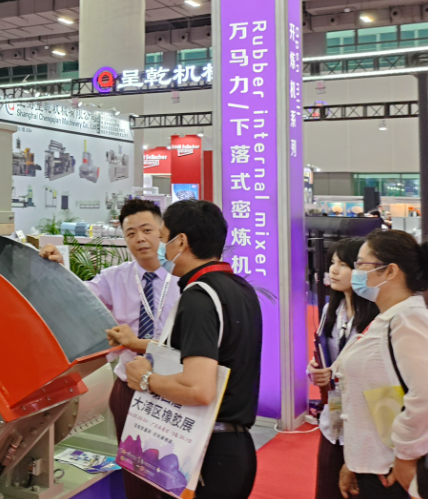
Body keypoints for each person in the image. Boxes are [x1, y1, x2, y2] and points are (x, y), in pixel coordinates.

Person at [40, 198, 179, 499]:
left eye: (147, 230)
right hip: (129, 386)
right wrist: (57, 267)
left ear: (162, 232)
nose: (140, 239)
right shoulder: (115, 278)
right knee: (135, 469)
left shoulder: (182, 278)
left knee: (176, 467)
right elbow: (78, 298)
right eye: (131, 233)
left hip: (173, 389)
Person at [123, 199, 262, 499]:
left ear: (181, 242)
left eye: (163, 237)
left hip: (206, 452)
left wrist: (145, 380)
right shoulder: (239, 288)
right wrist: (140, 344)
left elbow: (199, 389)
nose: (160, 247)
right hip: (233, 447)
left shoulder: (199, 297)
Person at [333, 230, 428, 499]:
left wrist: (405, 455)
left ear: (390, 271)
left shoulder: (408, 321)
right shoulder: (389, 318)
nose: (356, 272)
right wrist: (357, 459)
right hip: (377, 464)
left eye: (361, 264)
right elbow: (386, 390)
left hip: (394, 474)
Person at [309, 238, 380, 499]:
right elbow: (322, 356)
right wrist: (315, 371)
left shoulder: (377, 317)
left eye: (343, 264)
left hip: (367, 423)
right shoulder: (331, 310)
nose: (334, 270)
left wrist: (339, 373)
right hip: (333, 420)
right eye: (332, 263)